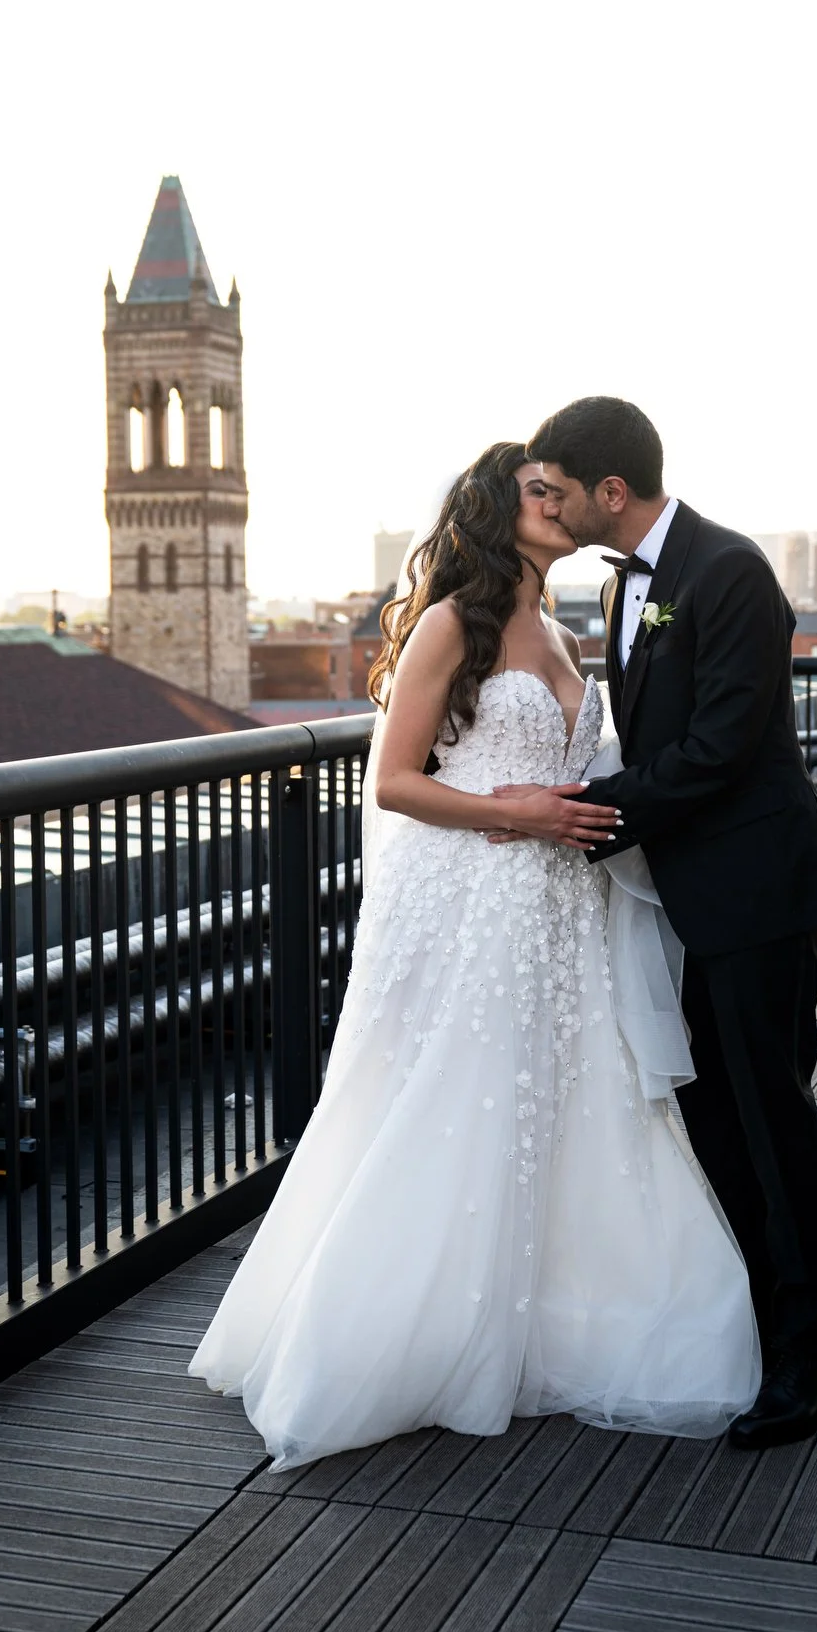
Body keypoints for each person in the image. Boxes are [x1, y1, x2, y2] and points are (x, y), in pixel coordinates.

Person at [189, 442, 760, 1468]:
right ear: (499, 509)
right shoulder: (455, 621)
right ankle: (407, 1335)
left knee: (563, 1100)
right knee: (466, 1095)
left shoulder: (562, 630)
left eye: (560, 489)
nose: (557, 503)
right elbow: (395, 782)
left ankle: (547, 1316)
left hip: (555, 904)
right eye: (537, 491)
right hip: (475, 899)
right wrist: (528, 813)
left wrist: (572, 815)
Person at [521, 397, 817, 1450]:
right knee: (715, 1113)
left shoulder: (726, 571)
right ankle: (763, 1320)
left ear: (610, 492)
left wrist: (595, 815)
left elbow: (720, 748)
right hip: (693, 894)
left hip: (759, 890)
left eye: (558, 488)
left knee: (773, 1114)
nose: (548, 502)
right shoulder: (636, 583)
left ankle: (816, 1355)